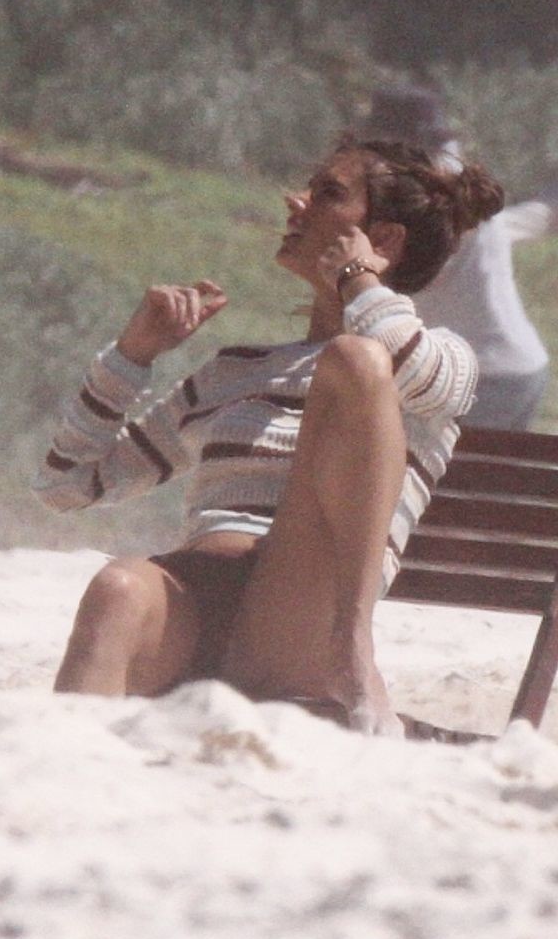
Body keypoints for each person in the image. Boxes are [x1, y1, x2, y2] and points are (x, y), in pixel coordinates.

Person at [36, 136, 503, 733]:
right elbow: (67, 485)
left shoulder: (436, 363)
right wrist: (132, 355)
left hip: (300, 618)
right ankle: (66, 773)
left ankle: (353, 647)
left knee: (354, 360)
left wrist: (359, 279)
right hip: (196, 597)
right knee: (117, 588)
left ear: (383, 240)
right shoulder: (237, 370)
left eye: (327, 193)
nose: (295, 200)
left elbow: (404, 364)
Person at [366, 87, 556, 432]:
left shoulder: (428, 196)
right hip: (513, 368)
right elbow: (520, 223)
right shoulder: (453, 182)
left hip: (483, 375)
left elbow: (405, 276)